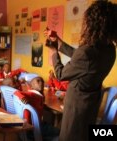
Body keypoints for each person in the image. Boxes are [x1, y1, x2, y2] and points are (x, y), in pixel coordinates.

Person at [44, 1, 117, 141]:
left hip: (76, 106)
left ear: (92, 23)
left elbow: (60, 74)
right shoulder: (109, 50)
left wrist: (53, 52)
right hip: (90, 103)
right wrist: (58, 41)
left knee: (69, 136)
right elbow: (81, 59)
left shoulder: (87, 52)